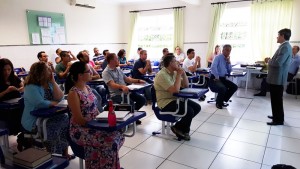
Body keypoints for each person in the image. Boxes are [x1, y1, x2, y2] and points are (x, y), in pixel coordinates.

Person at [66, 61, 124, 169]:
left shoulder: (87, 88)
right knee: (110, 142)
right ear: (80, 75)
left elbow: (95, 110)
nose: (92, 73)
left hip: (94, 124)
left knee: (119, 134)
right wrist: (98, 126)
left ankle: (108, 166)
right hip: (80, 129)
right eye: (89, 71)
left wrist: (103, 120)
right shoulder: (73, 93)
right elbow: (79, 119)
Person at [21, 61, 72, 158]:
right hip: (35, 120)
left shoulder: (49, 83)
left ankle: (64, 152)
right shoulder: (30, 86)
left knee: (66, 119)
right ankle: (54, 155)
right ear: (40, 73)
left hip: (49, 115)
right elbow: (39, 103)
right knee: (53, 126)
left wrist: (53, 81)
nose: (50, 71)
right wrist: (54, 104)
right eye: (47, 69)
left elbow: (60, 97)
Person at [154, 53, 200, 141]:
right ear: (170, 63)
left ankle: (178, 127)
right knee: (189, 111)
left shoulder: (174, 72)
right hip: (165, 103)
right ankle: (183, 130)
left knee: (197, 107)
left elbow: (186, 86)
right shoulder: (162, 75)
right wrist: (179, 74)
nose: (178, 62)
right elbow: (175, 91)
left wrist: (183, 74)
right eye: (175, 61)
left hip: (175, 99)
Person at [102, 53, 146, 124]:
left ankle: (132, 115)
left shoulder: (118, 69)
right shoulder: (106, 72)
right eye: (116, 59)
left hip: (126, 92)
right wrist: (122, 86)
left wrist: (138, 80)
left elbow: (127, 79)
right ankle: (131, 118)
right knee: (130, 104)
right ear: (111, 61)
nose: (118, 60)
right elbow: (112, 84)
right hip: (116, 95)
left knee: (142, 100)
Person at [266, 28, 292, 126]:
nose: (277, 37)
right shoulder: (284, 46)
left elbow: (278, 62)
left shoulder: (285, 47)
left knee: (277, 99)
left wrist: (269, 61)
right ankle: (276, 116)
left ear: (282, 36)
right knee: (275, 99)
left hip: (278, 78)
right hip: (276, 78)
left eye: (278, 35)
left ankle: (278, 120)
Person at [208, 44, 238, 109]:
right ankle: (218, 103)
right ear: (223, 50)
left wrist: (228, 62)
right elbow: (213, 67)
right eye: (227, 50)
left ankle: (222, 100)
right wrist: (217, 77)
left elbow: (229, 71)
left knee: (234, 87)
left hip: (222, 79)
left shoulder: (226, 59)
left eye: (229, 51)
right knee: (223, 88)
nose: (228, 52)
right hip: (215, 78)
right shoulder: (218, 57)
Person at [0, 58, 24, 135]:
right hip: (3, 106)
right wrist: (6, 91)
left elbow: (23, 87)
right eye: (4, 70)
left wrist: (18, 89)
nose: (7, 72)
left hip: (16, 103)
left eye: (9, 69)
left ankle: (24, 132)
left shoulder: (14, 78)